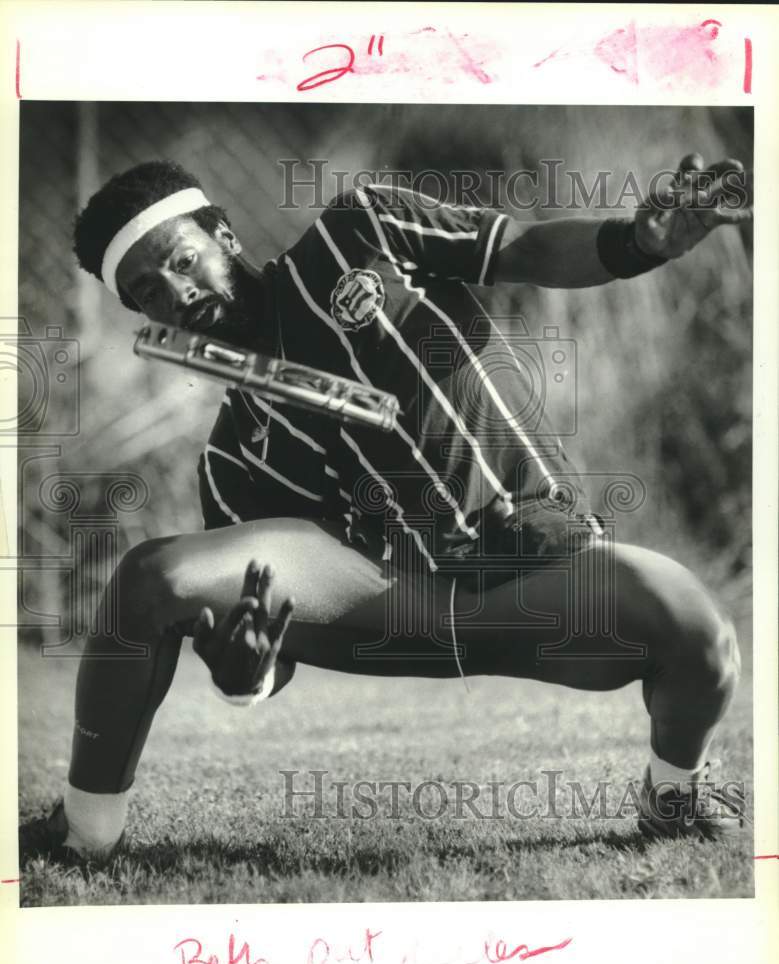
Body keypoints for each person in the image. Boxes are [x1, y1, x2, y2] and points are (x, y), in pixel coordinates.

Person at [46, 152, 751, 859]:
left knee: (700, 635)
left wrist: (636, 242)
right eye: (146, 293)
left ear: (223, 238)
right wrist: (247, 676)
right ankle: (83, 835)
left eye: (180, 260)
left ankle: (672, 797)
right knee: (153, 576)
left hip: (536, 575)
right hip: (398, 606)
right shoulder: (235, 456)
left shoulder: (358, 233)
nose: (174, 293)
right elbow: (271, 631)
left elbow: (526, 248)